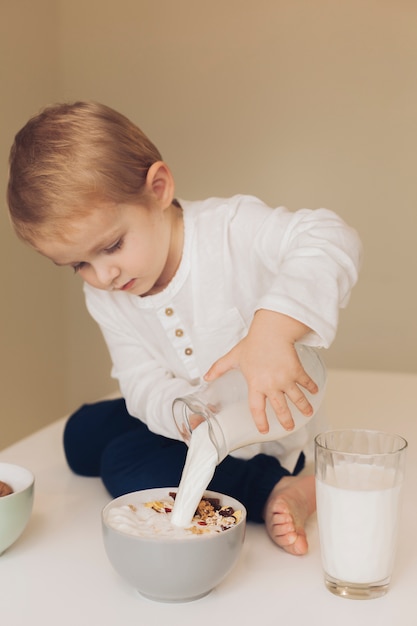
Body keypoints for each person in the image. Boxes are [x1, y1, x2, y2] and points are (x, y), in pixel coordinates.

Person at [7, 101, 362, 556]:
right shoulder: (105, 290)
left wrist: (274, 329)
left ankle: (277, 487)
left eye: (112, 245)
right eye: (79, 264)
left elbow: (331, 238)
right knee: (79, 436)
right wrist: (178, 415)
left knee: (123, 463)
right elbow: (141, 379)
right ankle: (173, 429)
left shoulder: (231, 231)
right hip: (189, 414)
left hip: (257, 430)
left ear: (157, 189)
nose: (104, 276)